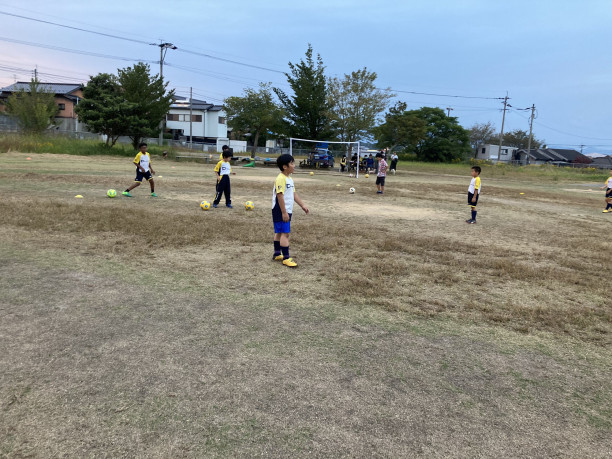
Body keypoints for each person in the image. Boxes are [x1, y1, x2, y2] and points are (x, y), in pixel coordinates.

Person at [272, 154, 309, 268]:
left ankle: (277, 253)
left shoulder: (289, 179)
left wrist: (302, 205)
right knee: (285, 234)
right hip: (280, 209)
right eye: (292, 164)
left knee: (279, 232)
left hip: (286, 209)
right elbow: (279, 196)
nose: (294, 166)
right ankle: (286, 258)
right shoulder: (280, 179)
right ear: (285, 167)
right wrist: (284, 212)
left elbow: (293, 194)